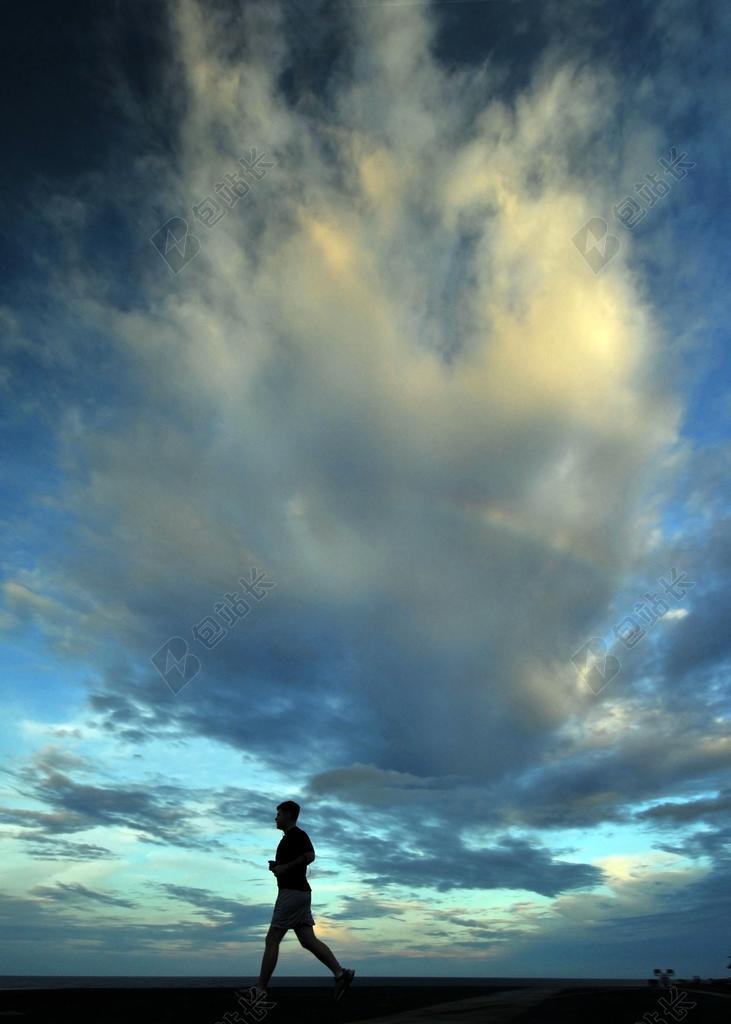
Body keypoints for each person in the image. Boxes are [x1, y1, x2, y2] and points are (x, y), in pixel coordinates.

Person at [254, 800, 355, 1002]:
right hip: (299, 893)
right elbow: (298, 861)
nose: (276, 817)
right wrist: (278, 867)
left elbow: (310, 856)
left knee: (272, 940)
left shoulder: (298, 835)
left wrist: (285, 868)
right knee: (307, 940)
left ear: (289, 815)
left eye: (279, 814)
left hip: (291, 893)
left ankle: (260, 990)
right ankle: (340, 973)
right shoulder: (288, 838)